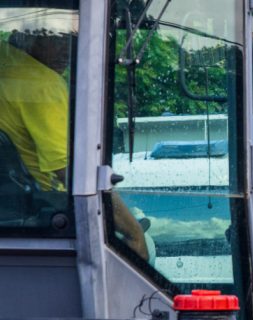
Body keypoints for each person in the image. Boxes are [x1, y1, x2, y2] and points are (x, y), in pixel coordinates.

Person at [0, 32, 148, 259]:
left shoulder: (6, 62)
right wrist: (133, 232)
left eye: (73, 38)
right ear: (26, 33)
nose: (67, 50)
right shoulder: (42, 85)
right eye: (56, 37)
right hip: (53, 215)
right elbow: (73, 173)